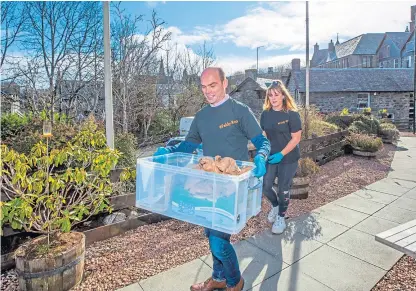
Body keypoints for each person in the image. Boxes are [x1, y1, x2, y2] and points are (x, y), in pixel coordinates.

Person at [153, 67, 270, 291]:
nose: (207, 91)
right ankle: (218, 277)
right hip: (207, 184)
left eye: (212, 85)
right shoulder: (202, 116)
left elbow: (262, 142)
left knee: (218, 241)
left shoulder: (240, 111)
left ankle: (235, 282)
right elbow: (188, 146)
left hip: (231, 187)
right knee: (211, 233)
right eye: (204, 87)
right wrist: (169, 152)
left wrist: (261, 158)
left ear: (225, 83)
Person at [260, 80, 302, 234]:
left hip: (288, 158)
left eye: (276, 94)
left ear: (283, 96)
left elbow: (296, 138)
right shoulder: (265, 114)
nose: (273, 98)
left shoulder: (292, 114)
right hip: (271, 157)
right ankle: (276, 206)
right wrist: (262, 153)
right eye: (270, 95)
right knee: (265, 185)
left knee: (283, 188)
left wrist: (281, 154)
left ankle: (281, 217)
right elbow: (264, 135)